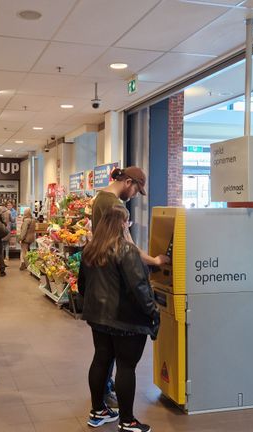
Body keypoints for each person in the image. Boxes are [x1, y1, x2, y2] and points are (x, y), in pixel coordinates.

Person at [91, 166, 170, 407]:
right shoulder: (116, 206)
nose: (135, 194)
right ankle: (120, 410)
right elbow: (128, 247)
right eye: (136, 189)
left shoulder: (98, 199)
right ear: (128, 182)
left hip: (100, 287)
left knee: (102, 355)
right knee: (124, 360)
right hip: (117, 289)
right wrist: (155, 261)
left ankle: (100, 402)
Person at [78, 206, 159, 432]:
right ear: (123, 224)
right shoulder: (126, 250)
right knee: (126, 367)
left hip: (97, 317)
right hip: (125, 320)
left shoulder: (90, 249)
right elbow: (139, 287)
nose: (128, 226)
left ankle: (98, 411)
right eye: (128, 222)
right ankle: (127, 421)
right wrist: (153, 312)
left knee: (101, 360)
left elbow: (82, 285)